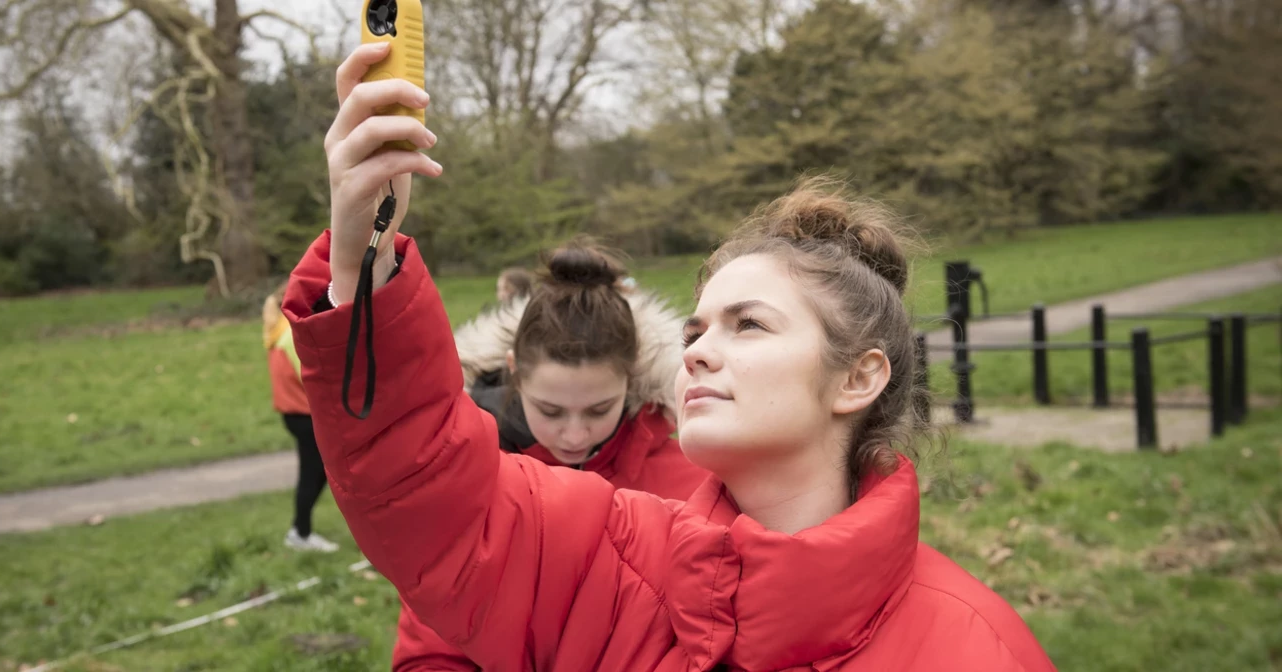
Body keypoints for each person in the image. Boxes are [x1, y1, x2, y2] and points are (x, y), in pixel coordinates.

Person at [285, 41, 1055, 670]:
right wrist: (364, 244)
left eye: (747, 325)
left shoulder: (974, 646)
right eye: (696, 331)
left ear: (859, 376)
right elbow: (428, 491)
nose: (699, 354)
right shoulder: (611, 554)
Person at [395, 242, 708, 670]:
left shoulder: (698, 482)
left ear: (632, 376)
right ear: (514, 373)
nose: (575, 435)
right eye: (550, 410)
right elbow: (429, 653)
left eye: (599, 410)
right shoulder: (473, 485)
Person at [262, 285, 338, 553]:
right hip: (305, 415)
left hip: (293, 413)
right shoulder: (290, 336)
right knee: (312, 473)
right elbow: (312, 377)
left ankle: (300, 529)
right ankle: (300, 533)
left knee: (320, 471)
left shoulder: (276, 332)